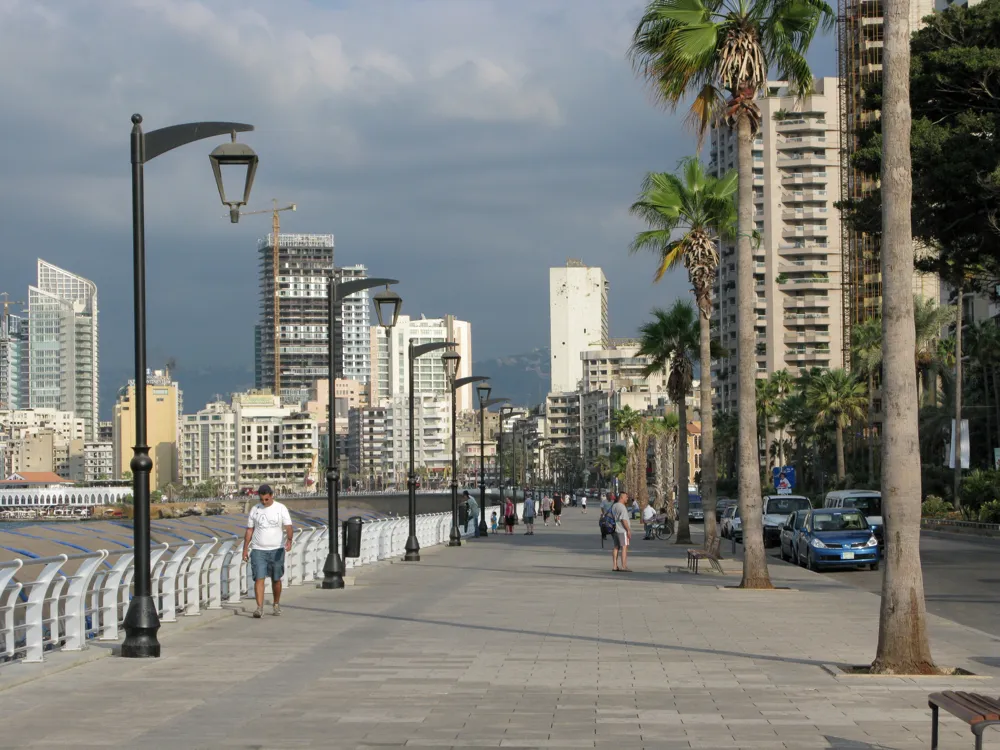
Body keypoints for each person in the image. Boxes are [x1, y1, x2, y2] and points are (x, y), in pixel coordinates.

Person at [242, 484, 293, 618]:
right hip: (258, 550)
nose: (264, 502)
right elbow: (249, 530)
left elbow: (288, 526)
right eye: (261, 500)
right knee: (259, 578)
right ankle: (259, 608)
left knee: (276, 579)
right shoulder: (255, 509)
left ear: (271, 496)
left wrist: (289, 539)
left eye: (266, 499)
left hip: (277, 550)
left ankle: (276, 604)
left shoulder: (281, 508)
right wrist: (245, 549)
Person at [611, 491, 632, 572]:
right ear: (622, 497)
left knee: (616, 547)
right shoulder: (622, 507)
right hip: (622, 530)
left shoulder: (614, 506)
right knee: (624, 547)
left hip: (615, 529)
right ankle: (623, 566)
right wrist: (628, 530)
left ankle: (614, 566)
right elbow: (623, 520)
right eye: (626, 497)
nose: (627, 499)